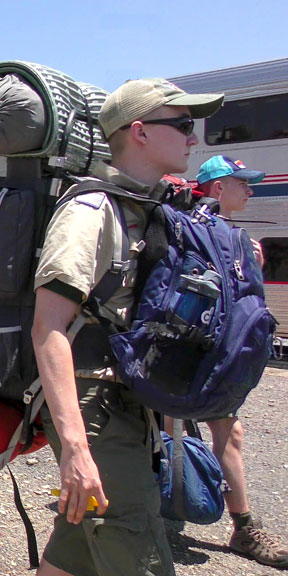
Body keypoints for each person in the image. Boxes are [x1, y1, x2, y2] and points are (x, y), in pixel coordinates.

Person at [30, 78, 223, 576]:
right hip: (96, 405)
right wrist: (76, 448)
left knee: (75, 547)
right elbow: (48, 328)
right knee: (140, 550)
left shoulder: (152, 208)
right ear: (139, 131)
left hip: (130, 401)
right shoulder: (89, 211)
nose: (193, 137)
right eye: (182, 124)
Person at [187, 155, 288, 569]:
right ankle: (243, 528)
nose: (250, 189)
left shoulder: (221, 233)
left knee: (229, 431)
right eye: (240, 182)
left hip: (198, 353)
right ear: (216, 188)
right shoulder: (210, 233)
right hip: (195, 354)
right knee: (228, 432)